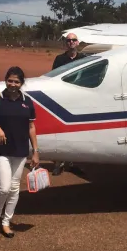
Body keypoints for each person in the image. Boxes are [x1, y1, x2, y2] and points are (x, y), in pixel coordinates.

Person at [0, 66, 40, 238]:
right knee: (4, 188)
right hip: (2, 150)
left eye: (17, 82)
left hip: (20, 151)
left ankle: (6, 222)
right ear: (6, 80)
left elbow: (31, 127)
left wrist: (35, 151)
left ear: (22, 83)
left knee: (14, 188)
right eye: (10, 80)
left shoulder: (27, 101)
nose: (13, 84)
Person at [51, 32, 86, 176]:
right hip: (62, 100)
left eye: (73, 40)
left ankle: (72, 162)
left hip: (77, 100)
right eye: (68, 40)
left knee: (76, 132)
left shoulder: (84, 59)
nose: (71, 42)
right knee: (59, 131)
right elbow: (52, 78)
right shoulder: (59, 59)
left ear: (78, 43)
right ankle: (58, 163)